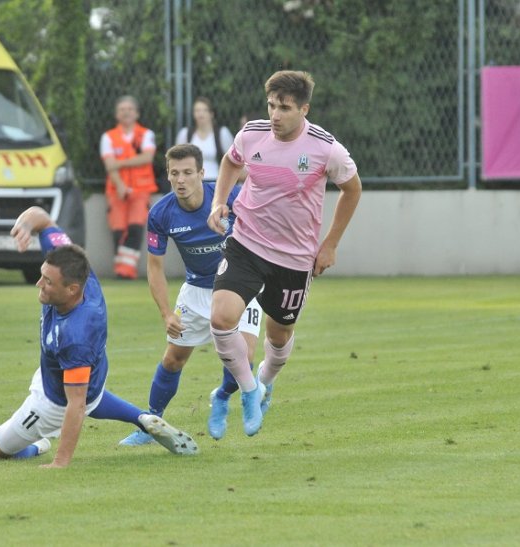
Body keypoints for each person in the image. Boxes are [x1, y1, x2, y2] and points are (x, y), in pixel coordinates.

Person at [0, 206, 198, 467]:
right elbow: (43, 218)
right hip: (76, 373)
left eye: (47, 282)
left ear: (71, 290)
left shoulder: (76, 336)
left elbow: (77, 404)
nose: (39, 284)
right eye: (42, 276)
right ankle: (142, 418)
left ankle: (38, 444)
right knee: (90, 392)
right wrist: (26, 225)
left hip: (53, 402)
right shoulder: (78, 271)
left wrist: (60, 461)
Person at [207, 70, 362, 436]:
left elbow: (352, 190)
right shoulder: (252, 134)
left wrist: (331, 243)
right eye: (271, 105)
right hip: (247, 241)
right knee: (221, 317)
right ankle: (247, 390)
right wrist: (218, 202)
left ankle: (265, 379)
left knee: (278, 337)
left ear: (304, 109)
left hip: (294, 258)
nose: (275, 115)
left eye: (285, 108)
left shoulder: (326, 148)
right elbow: (231, 162)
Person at [118, 144, 262, 446]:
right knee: (173, 359)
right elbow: (154, 267)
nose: (180, 180)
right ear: (167, 176)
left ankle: (221, 396)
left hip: (239, 286)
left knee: (244, 356)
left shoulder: (229, 198)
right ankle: (150, 424)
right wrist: (166, 313)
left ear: (201, 173)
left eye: (187, 173)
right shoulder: (161, 213)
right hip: (196, 291)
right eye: (174, 174)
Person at [99, 95, 158, 280]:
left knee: (135, 228)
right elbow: (110, 165)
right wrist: (120, 184)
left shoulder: (146, 134)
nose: (126, 112)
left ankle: (125, 271)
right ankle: (123, 269)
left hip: (141, 190)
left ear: (137, 113)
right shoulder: (108, 137)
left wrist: (120, 163)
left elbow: (147, 158)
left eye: (130, 109)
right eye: (122, 109)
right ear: (117, 114)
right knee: (118, 231)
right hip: (116, 191)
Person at [175, 97, 234, 181]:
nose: (200, 114)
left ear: (211, 114)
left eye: (204, 110)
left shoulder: (222, 133)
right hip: (191, 181)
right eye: (197, 111)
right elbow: (177, 161)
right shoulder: (185, 134)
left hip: (216, 181)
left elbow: (232, 160)